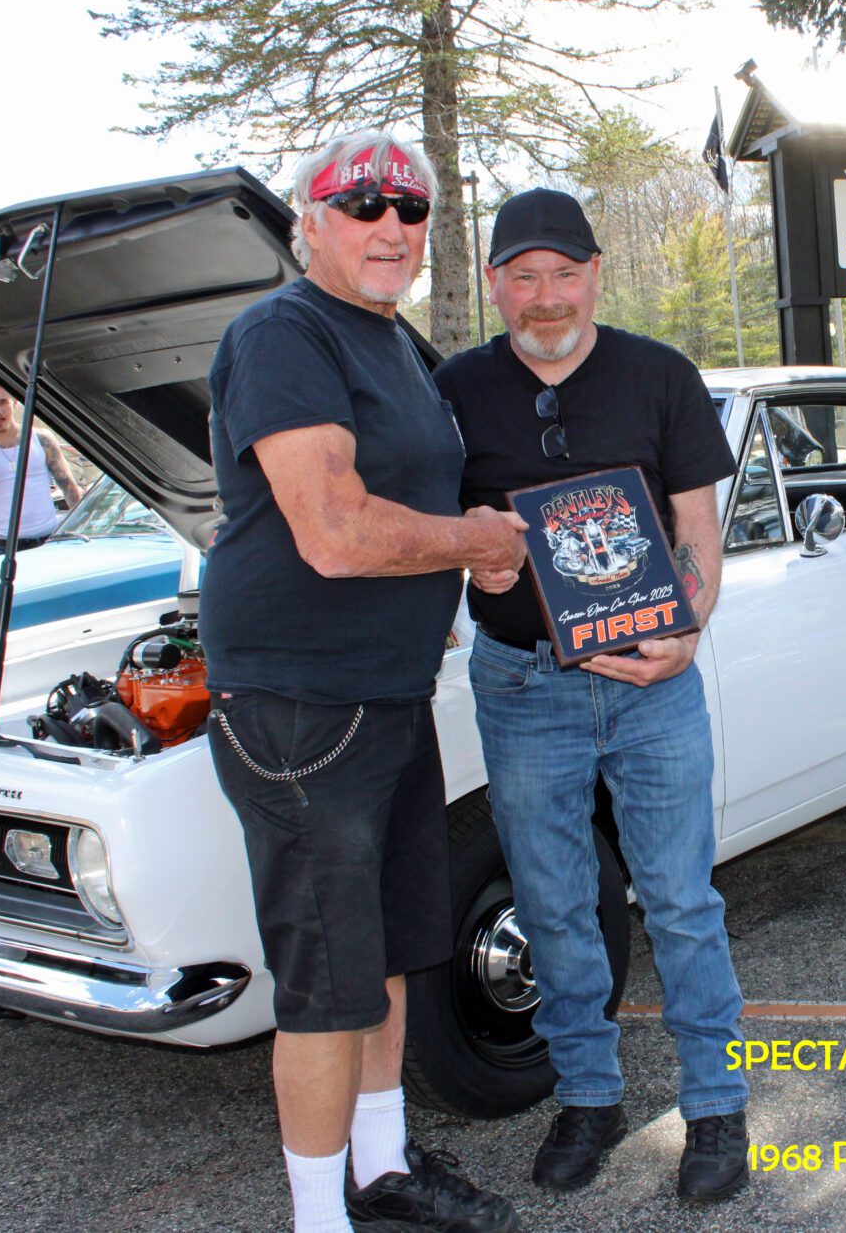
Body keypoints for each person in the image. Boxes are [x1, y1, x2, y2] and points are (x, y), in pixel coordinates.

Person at [200, 129, 525, 1233]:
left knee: (390, 953)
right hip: (301, 708)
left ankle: (381, 1170)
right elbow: (333, 532)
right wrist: (474, 539)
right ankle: (317, 1218)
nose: (391, 225)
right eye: (363, 205)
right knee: (327, 988)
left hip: (382, 697)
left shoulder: (396, 344)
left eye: (412, 209)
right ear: (313, 221)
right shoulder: (284, 333)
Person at [433, 188, 750, 1201]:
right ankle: (589, 1097)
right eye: (523, 277)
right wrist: (475, 565)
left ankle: (715, 1111)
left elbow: (699, 525)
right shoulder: (454, 389)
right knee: (556, 904)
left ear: (596, 274)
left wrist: (687, 633)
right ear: (494, 284)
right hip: (524, 687)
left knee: (681, 901)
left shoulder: (660, 374)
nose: (546, 296)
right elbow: (440, 529)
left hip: (655, 687)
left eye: (564, 274)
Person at [0, 377, 84, 553]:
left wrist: (82, 526)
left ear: (14, 402)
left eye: (3, 402)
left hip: (49, 537)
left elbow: (68, 485)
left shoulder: (41, 438)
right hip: (4, 543)